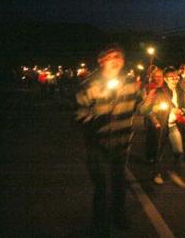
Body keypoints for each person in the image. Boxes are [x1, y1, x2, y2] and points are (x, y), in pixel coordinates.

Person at [76, 44, 141, 234]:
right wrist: (98, 118)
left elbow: (140, 108)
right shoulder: (89, 85)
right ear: (101, 60)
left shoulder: (129, 83)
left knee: (119, 183)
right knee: (102, 187)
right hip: (97, 146)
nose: (116, 60)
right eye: (111, 56)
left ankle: (119, 216)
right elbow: (79, 117)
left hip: (121, 144)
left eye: (119, 56)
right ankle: (99, 222)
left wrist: (150, 101)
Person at [140, 66, 185, 188]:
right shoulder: (159, 92)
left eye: (176, 77)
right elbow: (147, 110)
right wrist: (156, 120)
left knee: (178, 150)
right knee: (159, 150)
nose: (175, 79)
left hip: (174, 125)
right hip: (162, 124)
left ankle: (173, 171)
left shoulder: (181, 91)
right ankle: (157, 173)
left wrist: (181, 111)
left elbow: (183, 106)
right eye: (172, 77)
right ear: (165, 79)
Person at [143, 68, 164, 163]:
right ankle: (150, 156)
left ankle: (158, 155)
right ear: (153, 77)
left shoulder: (165, 88)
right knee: (151, 136)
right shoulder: (149, 87)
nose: (159, 78)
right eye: (157, 76)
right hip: (151, 115)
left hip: (163, 115)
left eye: (161, 76)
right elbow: (145, 105)